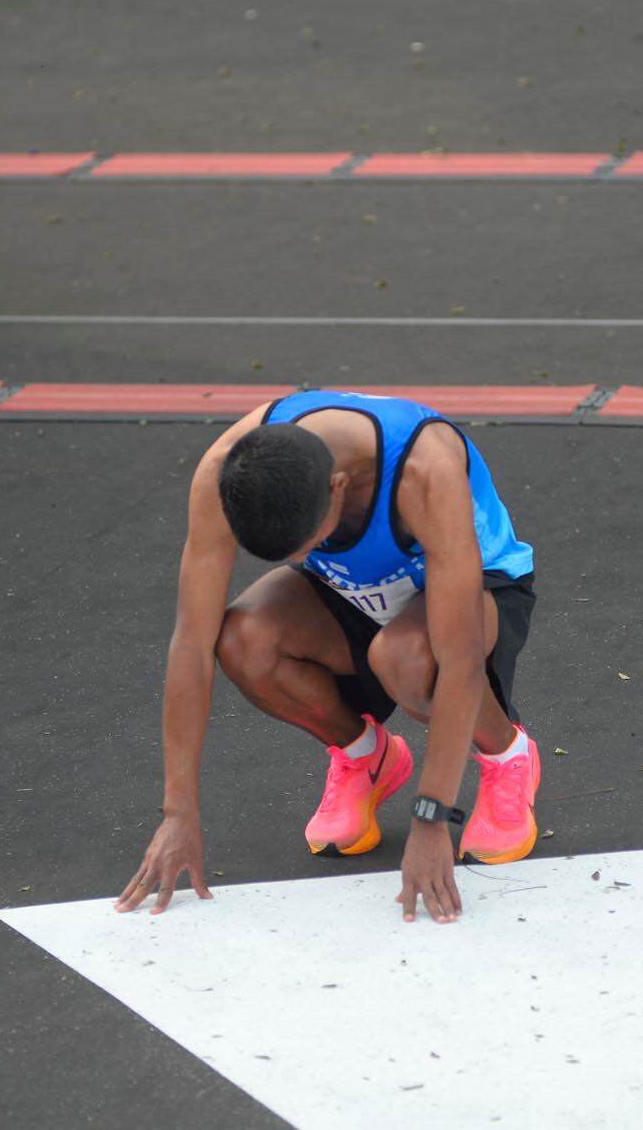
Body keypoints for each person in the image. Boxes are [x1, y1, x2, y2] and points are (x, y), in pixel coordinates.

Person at [114, 390, 541, 925]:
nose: (298, 556)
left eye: (306, 540)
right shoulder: (227, 469)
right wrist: (178, 812)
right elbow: (191, 644)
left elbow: (457, 660)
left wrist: (431, 819)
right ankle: (367, 756)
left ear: (338, 486)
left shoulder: (423, 469)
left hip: (475, 595)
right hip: (354, 594)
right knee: (242, 640)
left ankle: (507, 757)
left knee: (404, 659)